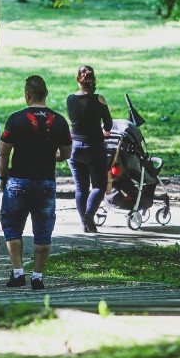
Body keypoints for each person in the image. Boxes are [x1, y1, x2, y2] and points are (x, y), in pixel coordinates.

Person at [0, 75, 72, 290]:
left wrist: (3, 178)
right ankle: (37, 277)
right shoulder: (59, 121)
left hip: (18, 181)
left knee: (12, 227)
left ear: (27, 95)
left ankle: (18, 272)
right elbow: (66, 153)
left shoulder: (16, 119)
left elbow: (3, 153)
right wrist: (52, 156)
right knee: (43, 230)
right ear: (46, 94)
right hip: (45, 183)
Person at [66, 65, 112, 233]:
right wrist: (104, 131)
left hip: (75, 147)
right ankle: (88, 216)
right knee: (99, 185)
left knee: (81, 188)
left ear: (79, 79)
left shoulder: (70, 99)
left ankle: (84, 222)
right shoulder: (99, 99)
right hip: (94, 148)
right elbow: (108, 125)